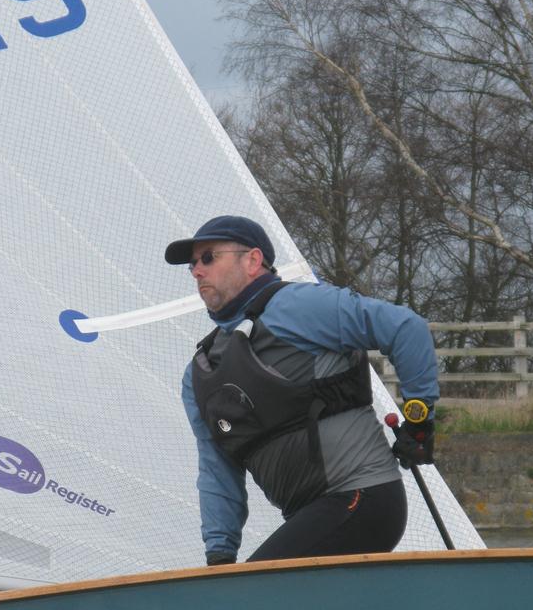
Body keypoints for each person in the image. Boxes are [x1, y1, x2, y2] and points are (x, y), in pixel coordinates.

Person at [165, 215, 438, 565]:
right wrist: (220, 555)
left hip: (361, 496)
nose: (197, 271)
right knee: (241, 598)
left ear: (252, 260)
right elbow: (216, 468)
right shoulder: (199, 374)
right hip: (308, 515)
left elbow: (406, 328)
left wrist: (419, 421)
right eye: (192, 265)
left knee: (255, 593)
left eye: (208, 258)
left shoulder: (296, 307)